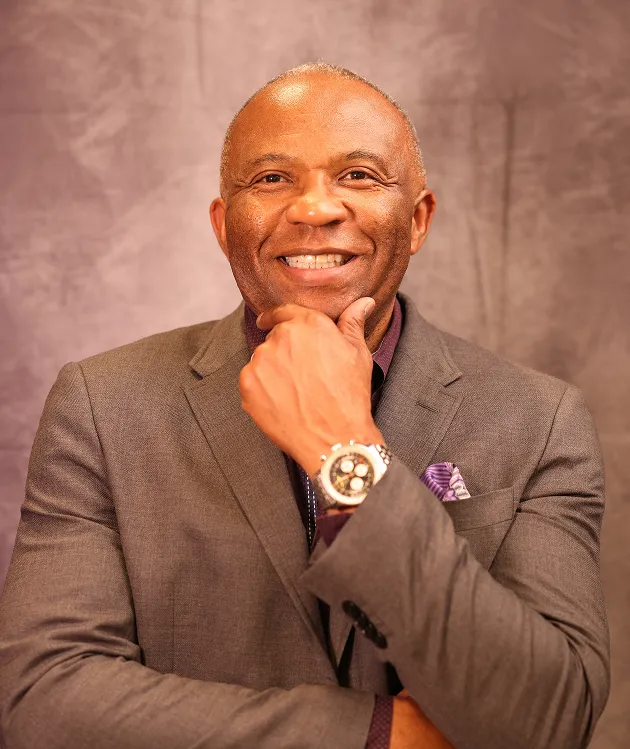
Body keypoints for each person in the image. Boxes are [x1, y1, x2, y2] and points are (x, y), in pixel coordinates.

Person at [0, 63, 609, 749]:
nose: (316, 209)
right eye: (271, 178)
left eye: (358, 175)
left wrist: (344, 449)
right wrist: (381, 734)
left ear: (417, 219)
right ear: (223, 224)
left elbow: (551, 719)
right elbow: (42, 698)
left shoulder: (539, 420)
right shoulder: (102, 406)